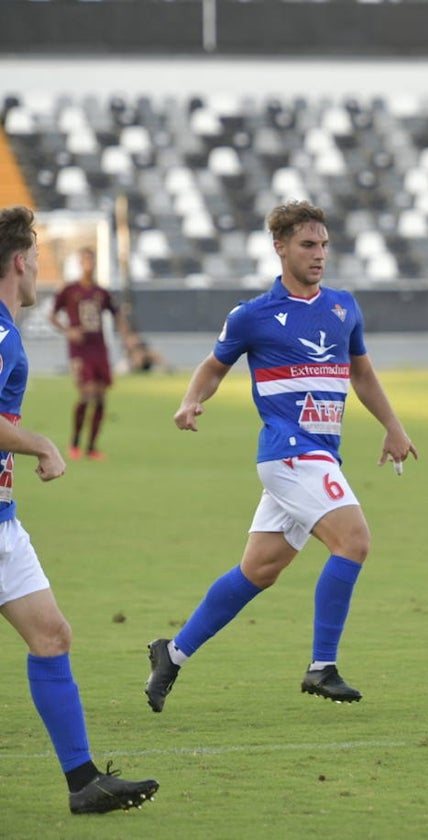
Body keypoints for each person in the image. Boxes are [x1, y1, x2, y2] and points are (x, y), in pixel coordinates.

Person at [144, 200, 417, 712]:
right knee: (354, 540)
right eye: (308, 245)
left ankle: (172, 654)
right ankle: (322, 666)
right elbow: (212, 366)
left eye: (324, 245)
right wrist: (190, 400)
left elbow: (361, 373)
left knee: (259, 570)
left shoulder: (343, 307)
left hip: (320, 456)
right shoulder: (252, 316)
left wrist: (393, 425)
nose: (319, 255)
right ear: (281, 248)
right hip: (289, 452)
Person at [0, 206, 159, 813]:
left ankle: (83, 783)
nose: (40, 268)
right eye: (36, 258)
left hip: (5, 525)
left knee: (52, 636)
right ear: (20, 263)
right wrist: (41, 443)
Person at [50, 246, 130, 461]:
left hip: (99, 349)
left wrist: (127, 337)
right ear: (80, 263)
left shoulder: (101, 293)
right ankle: (75, 443)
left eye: (91, 260)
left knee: (102, 398)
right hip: (80, 350)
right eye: (85, 260)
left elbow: (117, 315)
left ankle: (92, 447)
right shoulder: (69, 290)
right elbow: (52, 316)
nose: (89, 264)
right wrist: (69, 331)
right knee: (87, 394)